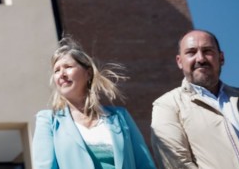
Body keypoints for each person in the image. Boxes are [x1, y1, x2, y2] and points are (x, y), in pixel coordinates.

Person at [151, 29, 239, 169]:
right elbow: (175, 161)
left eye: (207, 51)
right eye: (191, 52)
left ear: (221, 58)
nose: (200, 59)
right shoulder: (167, 105)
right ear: (180, 61)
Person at [32, 37, 155, 169]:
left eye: (68, 67)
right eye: (56, 70)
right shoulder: (48, 121)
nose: (61, 74)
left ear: (88, 73)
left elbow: (145, 164)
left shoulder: (120, 116)